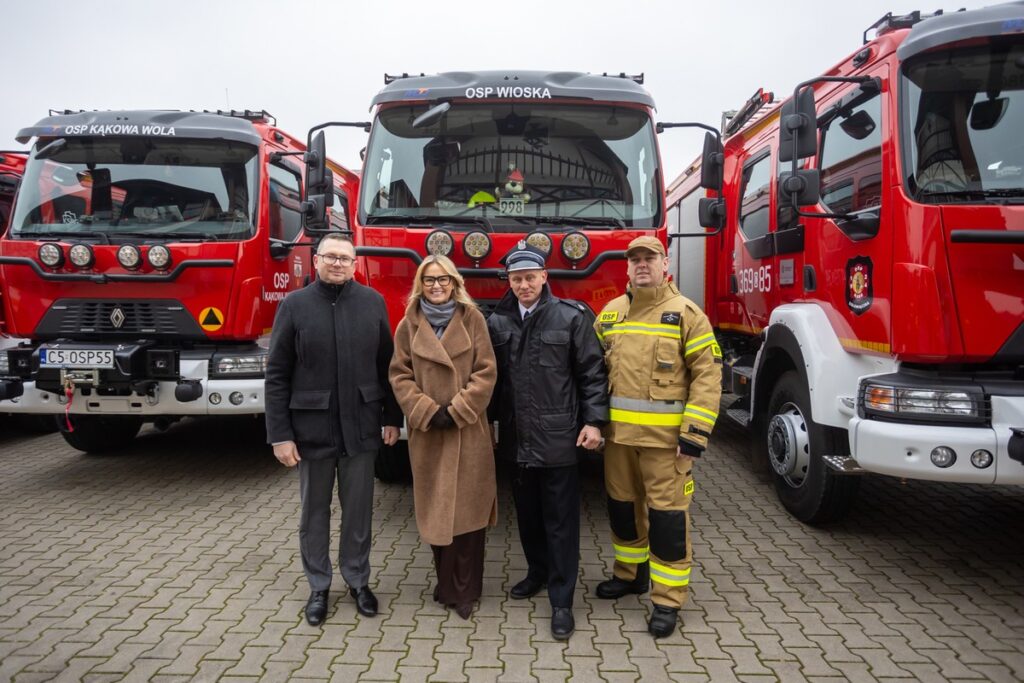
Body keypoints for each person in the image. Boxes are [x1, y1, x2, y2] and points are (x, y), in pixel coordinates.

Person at [265, 233, 402, 626]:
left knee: (358, 511)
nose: (338, 263)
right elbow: (276, 374)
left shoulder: (372, 302)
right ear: (317, 261)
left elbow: (387, 365)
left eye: (345, 258)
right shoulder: (295, 305)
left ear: (355, 263)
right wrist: (280, 434)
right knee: (314, 512)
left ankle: (359, 581)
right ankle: (319, 586)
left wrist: (392, 418)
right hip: (312, 429)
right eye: (330, 257)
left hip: (361, 426)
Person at [593, 236, 722, 639]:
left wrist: (694, 436)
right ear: (627, 268)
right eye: (635, 260)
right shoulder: (611, 314)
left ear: (665, 264)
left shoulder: (686, 314)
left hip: (667, 446)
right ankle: (630, 574)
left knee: (667, 521)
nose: (642, 265)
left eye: (650, 258)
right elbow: (590, 374)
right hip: (618, 441)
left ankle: (667, 599)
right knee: (622, 510)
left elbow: (708, 377)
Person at [486, 242, 608, 641]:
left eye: (530, 277)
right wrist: (487, 424)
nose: (523, 285)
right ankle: (537, 572)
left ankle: (561, 600)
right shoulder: (497, 323)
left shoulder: (570, 318)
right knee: (528, 517)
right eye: (516, 278)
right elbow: (490, 382)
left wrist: (593, 422)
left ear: (544, 278)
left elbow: (592, 373)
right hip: (517, 440)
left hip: (559, 441)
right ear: (509, 280)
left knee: (561, 524)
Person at [388, 254, 498, 620]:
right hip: (429, 433)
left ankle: (465, 590)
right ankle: (445, 584)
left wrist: (457, 410)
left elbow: (486, 371)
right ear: (421, 284)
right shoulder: (408, 324)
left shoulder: (472, 319)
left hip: (467, 431)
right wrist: (426, 411)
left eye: (444, 280)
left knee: (467, 514)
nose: (437, 286)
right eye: (430, 280)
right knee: (437, 512)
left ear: (455, 283)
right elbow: (399, 375)